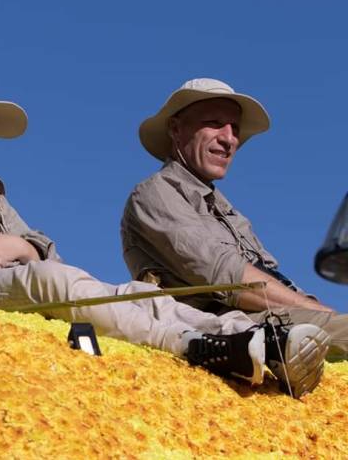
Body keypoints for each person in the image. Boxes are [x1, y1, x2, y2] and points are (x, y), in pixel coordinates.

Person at [0, 74, 329, 398]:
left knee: (137, 293)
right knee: (48, 281)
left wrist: (17, 245)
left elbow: (47, 253)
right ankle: (193, 346)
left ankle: (256, 339)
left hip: (15, 285)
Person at [121, 77, 347, 360]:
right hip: (223, 330)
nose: (229, 139)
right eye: (214, 123)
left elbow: (271, 279)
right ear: (176, 129)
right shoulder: (156, 192)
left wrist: (319, 310)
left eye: (235, 129)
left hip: (268, 319)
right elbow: (229, 278)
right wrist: (320, 313)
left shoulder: (229, 212)